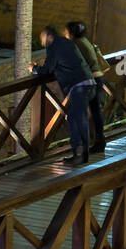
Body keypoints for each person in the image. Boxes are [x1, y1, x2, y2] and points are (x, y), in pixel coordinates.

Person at [30, 26, 95, 166]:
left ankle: (79, 155)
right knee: (79, 118)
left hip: (78, 86)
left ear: (48, 36)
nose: (41, 41)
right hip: (88, 82)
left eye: (42, 38)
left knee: (75, 119)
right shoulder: (66, 43)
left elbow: (47, 70)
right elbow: (59, 64)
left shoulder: (53, 46)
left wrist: (34, 68)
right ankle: (84, 155)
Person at [65, 21, 108, 155]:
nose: (65, 35)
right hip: (99, 77)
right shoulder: (85, 41)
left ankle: (81, 145)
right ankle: (99, 141)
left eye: (66, 32)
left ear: (72, 33)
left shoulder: (75, 44)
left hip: (89, 80)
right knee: (95, 112)